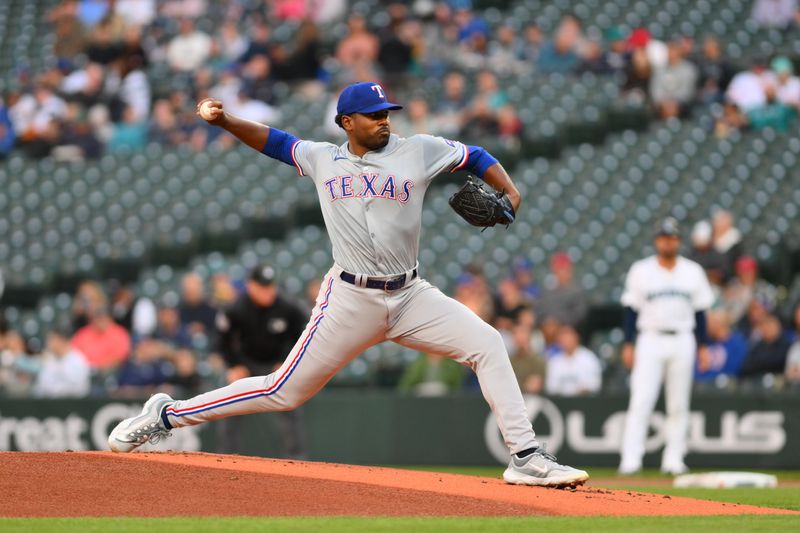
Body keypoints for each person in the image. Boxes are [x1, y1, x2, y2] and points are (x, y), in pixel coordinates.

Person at [109, 81, 588, 488]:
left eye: (387, 113)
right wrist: (226, 120)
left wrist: (510, 190)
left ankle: (526, 457)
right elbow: (274, 141)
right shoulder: (322, 159)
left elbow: (476, 154)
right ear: (346, 122)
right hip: (350, 297)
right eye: (373, 115)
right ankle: (166, 415)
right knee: (283, 391)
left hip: (409, 295)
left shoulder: (416, 150)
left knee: (487, 341)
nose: (384, 121)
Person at [618, 218, 714, 476]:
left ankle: (674, 459)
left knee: (679, 403)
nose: (667, 241)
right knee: (641, 400)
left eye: (671, 237)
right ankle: (631, 459)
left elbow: (702, 312)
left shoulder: (692, 271)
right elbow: (630, 309)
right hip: (649, 337)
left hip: (684, 337)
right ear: (656, 240)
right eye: (663, 237)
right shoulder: (641, 269)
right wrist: (629, 343)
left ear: (678, 241)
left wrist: (704, 346)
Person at [213, 264, 309, 457]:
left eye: (271, 286)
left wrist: (286, 361)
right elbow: (222, 342)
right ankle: (226, 457)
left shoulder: (288, 308)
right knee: (229, 403)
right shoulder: (235, 309)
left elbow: (303, 337)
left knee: (291, 404)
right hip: (246, 365)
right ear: (251, 286)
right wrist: (234, 365)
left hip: (277, 365)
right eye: (263, 286)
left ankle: (297, 460)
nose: (268, 291)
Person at [545, 325, 602, 397]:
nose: (566, 341)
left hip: (584, 401)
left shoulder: (589, 358)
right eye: (563, 338)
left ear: (576, 338)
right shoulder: (554, 361)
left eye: (569, 338)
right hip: (561, 402)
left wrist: (580, 391)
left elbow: (595, 385)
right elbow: (551, 388)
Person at [33, 329, 91, 398]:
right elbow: (41, 385)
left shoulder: (78, 359)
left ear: (63, 340)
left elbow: (79, 389)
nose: (49, 343)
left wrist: (54, 391)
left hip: (73, 404)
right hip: (49, 404)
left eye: (53, 340)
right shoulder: (50, 359)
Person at [536, 252, 588, 328]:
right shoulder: (547, 289)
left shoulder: (576, 291)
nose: (560, 272)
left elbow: (579, 316)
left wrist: (556, 320)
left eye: (562, 269)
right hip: (547, 327)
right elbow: (540, 310)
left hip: (569, 329)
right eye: (558, 269)